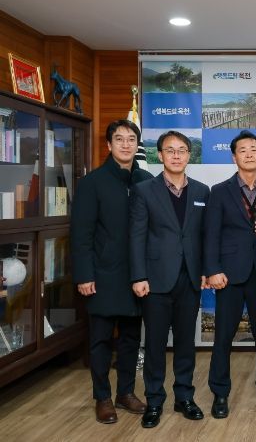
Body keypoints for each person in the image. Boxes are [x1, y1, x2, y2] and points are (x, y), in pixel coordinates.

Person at [71, 120, 152, 424]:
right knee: (101, 340)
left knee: (131, 338)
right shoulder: (92, 182)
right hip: (102, 276)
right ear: (109, 145)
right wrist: (84, 275)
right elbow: (81, 235)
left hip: (137, 275)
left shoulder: (146, 180)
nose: (126, 144)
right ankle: (102, 397)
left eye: (131, 139)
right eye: (119, 139)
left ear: (137, 145)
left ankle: (125, 392)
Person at [129, 130, 210, 429]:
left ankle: (184, 397)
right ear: (159, 154)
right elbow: (136, 236)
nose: (176, 155)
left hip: (190, 278)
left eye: (181, 150)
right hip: (155, 279)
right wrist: (138, 275)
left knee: (187, 342)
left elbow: (205, 236)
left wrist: (205, 270)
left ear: (189, 155)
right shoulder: (144, 190)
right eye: (170, 150)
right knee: (155, 344)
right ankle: (154, 400)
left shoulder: (202, 191)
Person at [205, 131, 256, 418]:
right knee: (223, 336)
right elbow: (210, 235)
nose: (249, 154)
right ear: (233, 156)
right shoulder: (219, 191)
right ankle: (220, 394)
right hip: (229, 275)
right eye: (243, 150)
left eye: (253, 149)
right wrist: (213, 270)